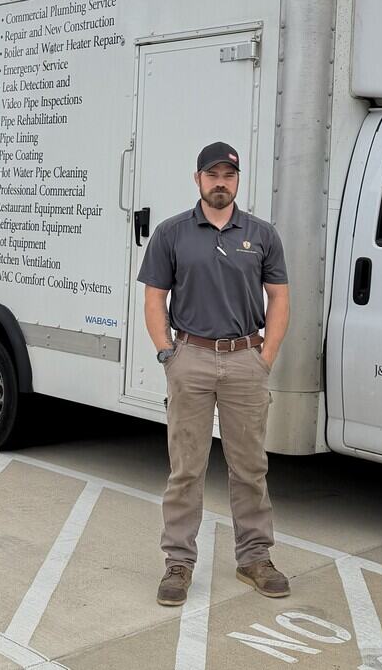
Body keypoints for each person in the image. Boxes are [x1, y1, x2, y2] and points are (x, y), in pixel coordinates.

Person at [137, 141, 291, 607]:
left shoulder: (262, 235)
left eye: (228, 174)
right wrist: (169, 353)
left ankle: (254, 559)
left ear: (238, 180)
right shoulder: (172, 233)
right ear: (198, 179)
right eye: (212, 174)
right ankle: (178, 563)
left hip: (246, 359)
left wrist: (266, 358)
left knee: (250, 468)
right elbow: (153, 299)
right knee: (187, 469)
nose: (220, 182)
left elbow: (280, 299)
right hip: (192, 359)